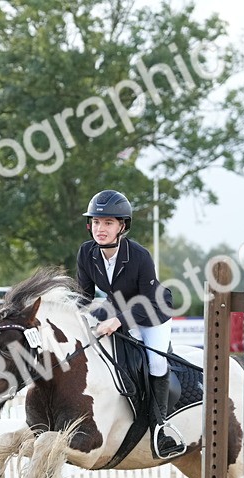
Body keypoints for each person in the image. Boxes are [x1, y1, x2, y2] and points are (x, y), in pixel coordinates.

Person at [75, 188, 185, 459]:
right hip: (117, 308)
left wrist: (118, 321)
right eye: (97, 222)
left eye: (108, 223)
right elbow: (84, 298)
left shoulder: (139, 256)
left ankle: (161, 425)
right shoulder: (86, 253)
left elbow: (147, 301)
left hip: (152, 311)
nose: (100, 229)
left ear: (121, 226)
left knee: (157, 363)